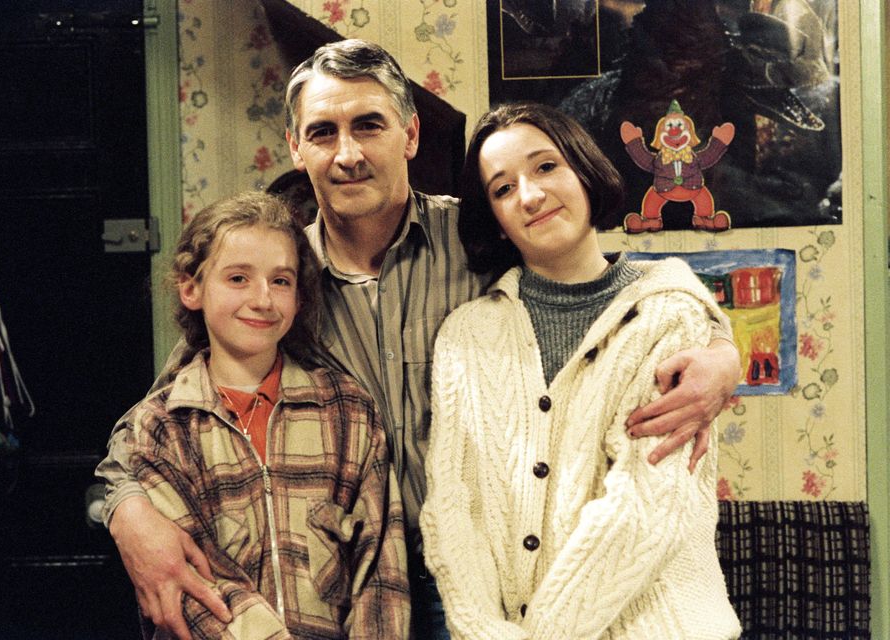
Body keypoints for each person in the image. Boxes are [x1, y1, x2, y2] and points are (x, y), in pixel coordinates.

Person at [96, 39, 742, 640]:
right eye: (324, 132)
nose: (347, 153)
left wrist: (719, 346)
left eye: (368, 125)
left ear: (409, 134)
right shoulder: (279, 279)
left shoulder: (480, 239)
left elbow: (605, 283)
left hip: (491, 578)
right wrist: (126, 512)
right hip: (354, 580)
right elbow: (169, 409)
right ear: (297, 147)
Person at [419, 102, 741, 639]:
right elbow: (454, 509)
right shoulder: (465, 335)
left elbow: (645, 508)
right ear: (494, 220)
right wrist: (482, 631)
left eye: (546, 167)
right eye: (502, 188)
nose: (530, 195)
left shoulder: (671, 313)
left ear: (584, 171)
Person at [117, 191, 409, 639]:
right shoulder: (161, 428)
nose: (263, 299)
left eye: (281, 281)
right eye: (238, 278)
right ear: (191, 287)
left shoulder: (348, 412)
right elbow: (198, 586)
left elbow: (380, 573)